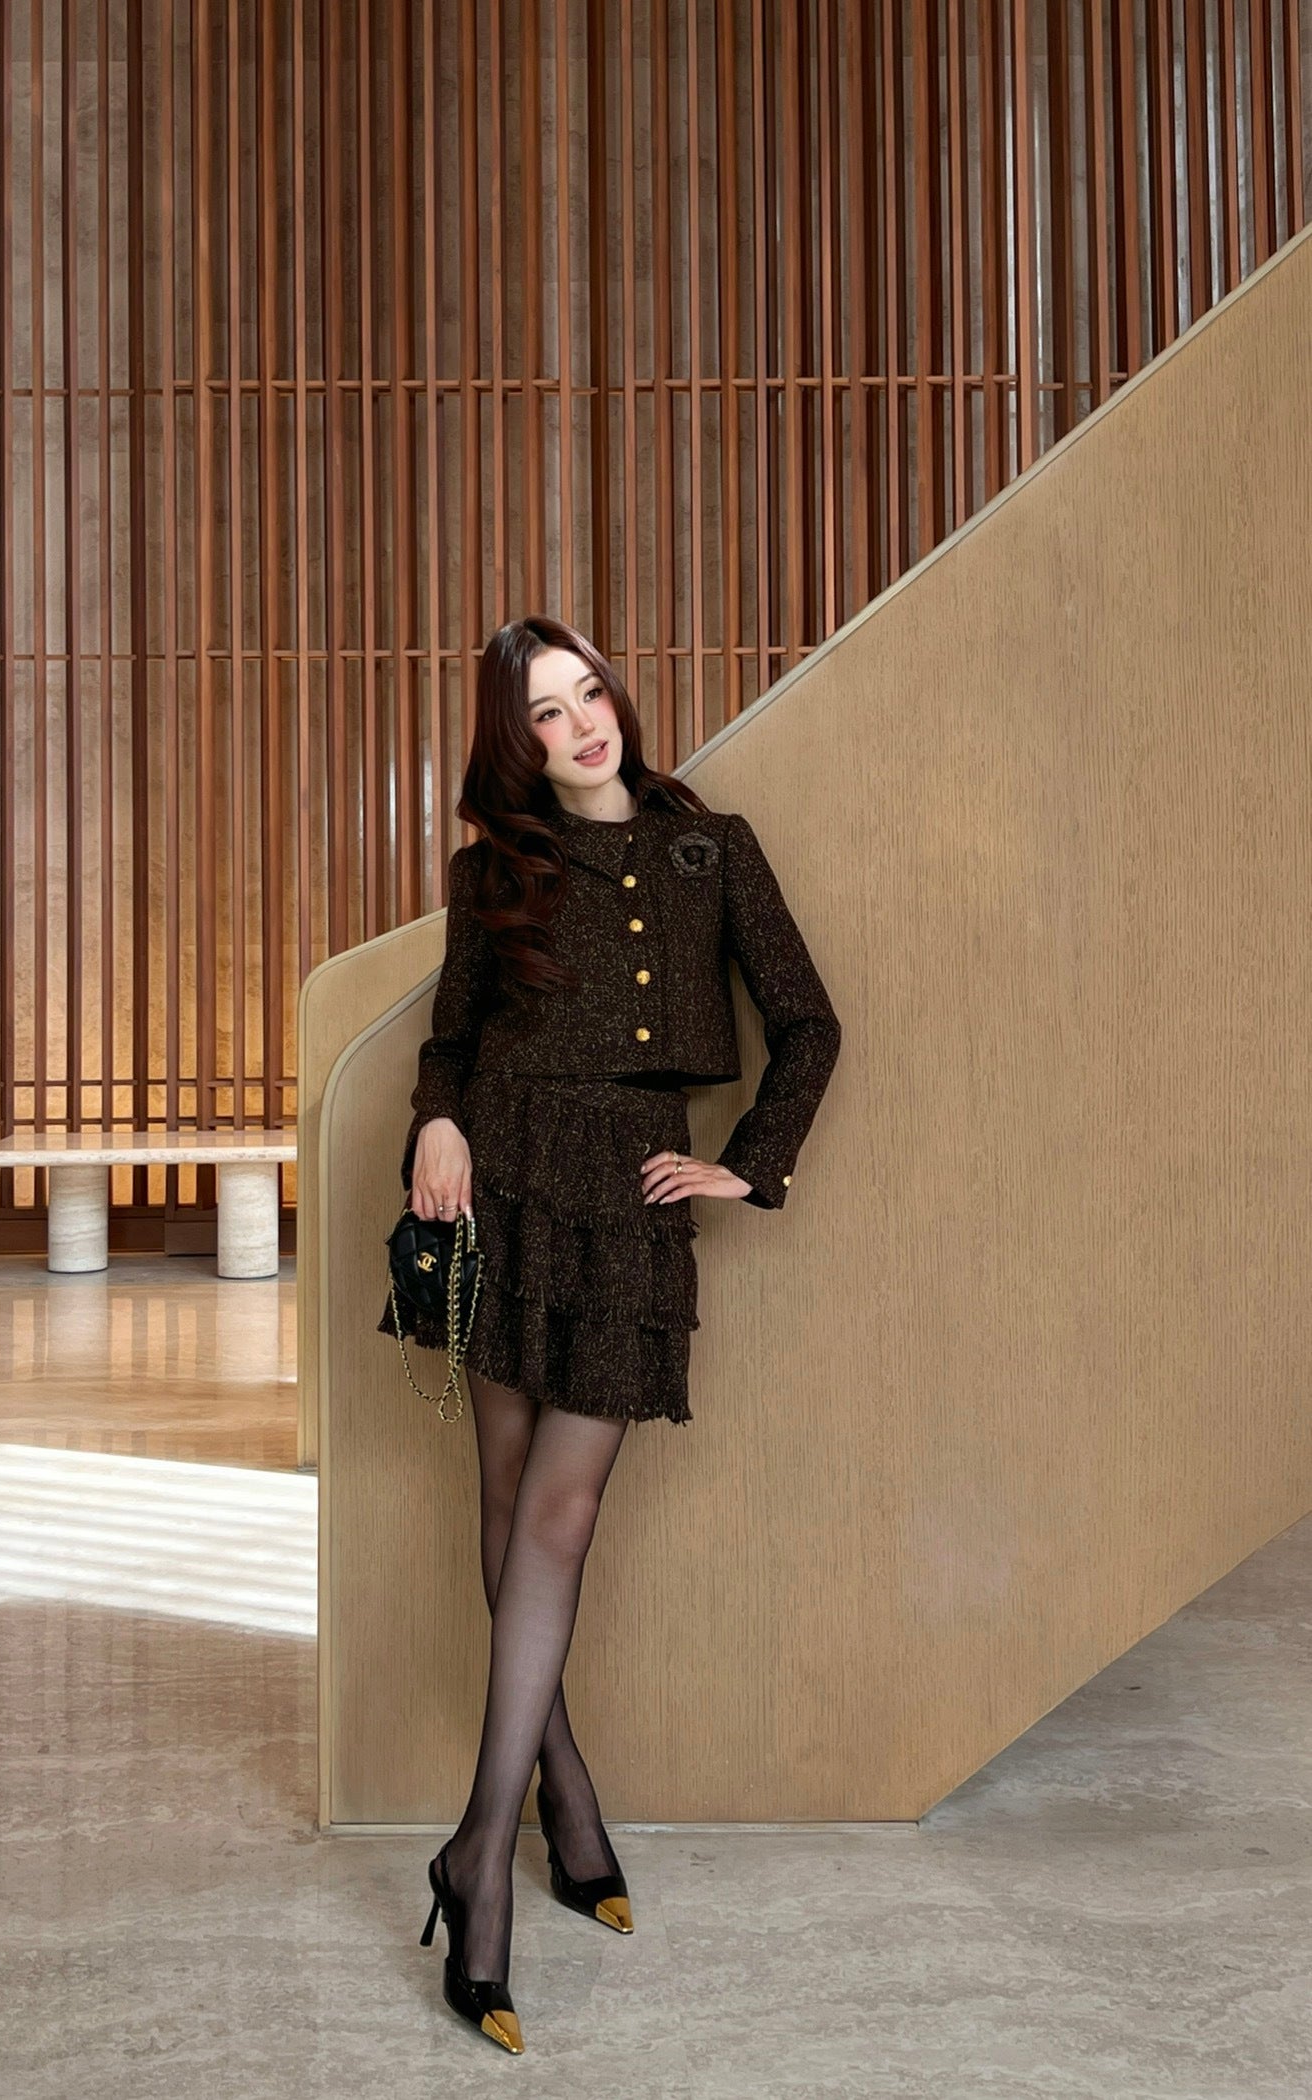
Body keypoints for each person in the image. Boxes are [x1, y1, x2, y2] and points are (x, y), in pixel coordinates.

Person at [377, 614, 842, 2054]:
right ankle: (562, 1801)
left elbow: (810, 1023)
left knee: (559, 1515)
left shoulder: (714, 850)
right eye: (547, 711)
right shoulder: (493, 873)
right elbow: (452, 1040)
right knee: (508, 1504)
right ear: (515, 741)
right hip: (503, 1180)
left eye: (590, 694)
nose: (583, 725)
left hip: (631, 1196)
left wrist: (748, 1164)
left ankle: (479, 1849)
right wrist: (437, 1122)